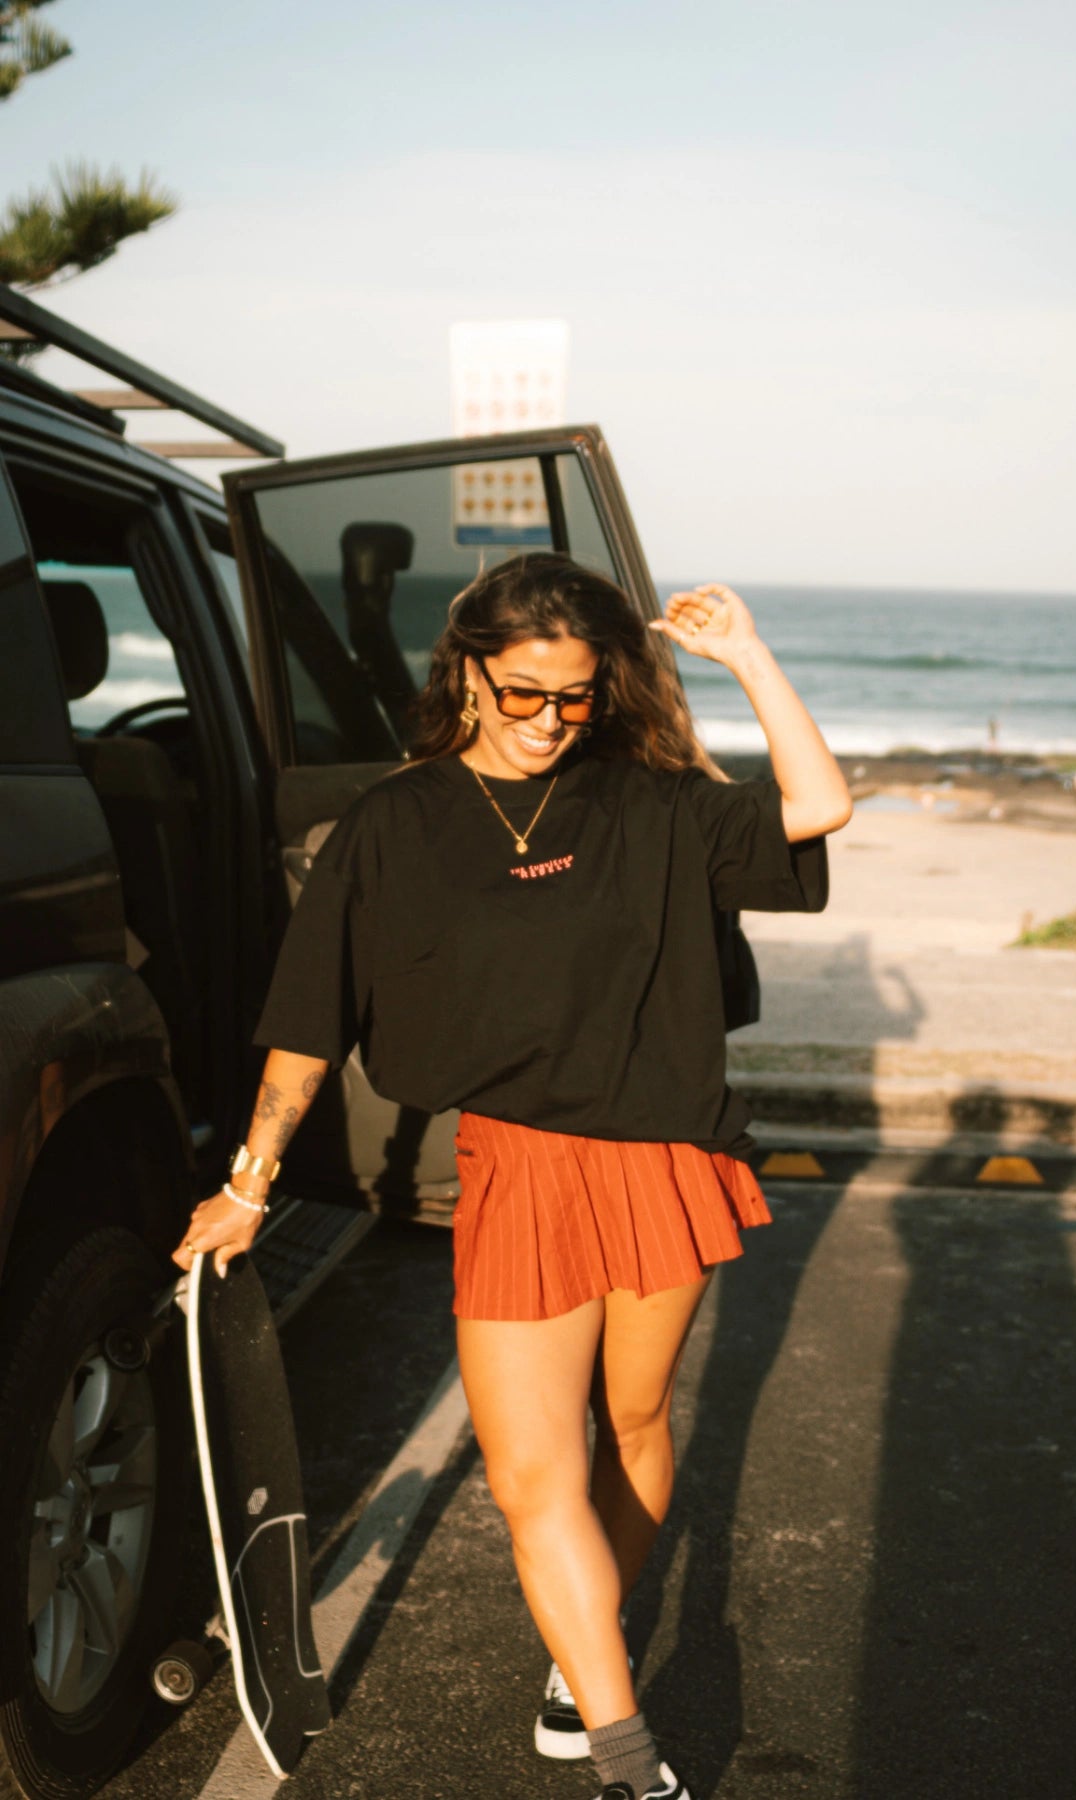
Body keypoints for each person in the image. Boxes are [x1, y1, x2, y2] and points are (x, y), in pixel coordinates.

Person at [171, 553, 852, 1800]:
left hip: (661, 1162)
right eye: (524, 693)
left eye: (576, 698)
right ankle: (629, 1759)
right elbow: (307, 1022)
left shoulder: (648, 802)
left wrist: (748, 658)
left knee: (633, 1427)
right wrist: (251, 1183)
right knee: (533, 1473)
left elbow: (816, 811)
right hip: (519, 1172)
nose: (548, 722)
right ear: (469, 672)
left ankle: (573, 1662)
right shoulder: (394, 823)